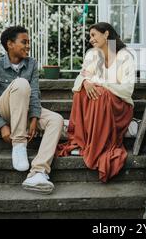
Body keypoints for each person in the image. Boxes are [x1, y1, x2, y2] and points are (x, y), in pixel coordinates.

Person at [0, 26, 64, 194]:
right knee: (20, 83)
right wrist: (2, 125)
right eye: (24, 42)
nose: (28, 46)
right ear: (10, 44)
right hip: (5, 110)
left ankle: (38, 172)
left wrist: (34, 118)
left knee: (56, 119)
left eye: (28, 42)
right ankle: (19, 144)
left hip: (25, 111)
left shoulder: (31, 63)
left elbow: (34, 93)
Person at [56, 22, 136, 182]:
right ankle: (83, 141)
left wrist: (101, 84)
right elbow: (81, 77)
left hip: (120, 106)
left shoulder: (125, 56)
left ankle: (97, 145)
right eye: (89, 36)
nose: (90, 39)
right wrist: (86, 81)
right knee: (82, 91)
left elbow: (127, 90)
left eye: (93, 35)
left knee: (100, 92)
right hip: (100, 101)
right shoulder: (93, 54)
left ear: (106, 34)